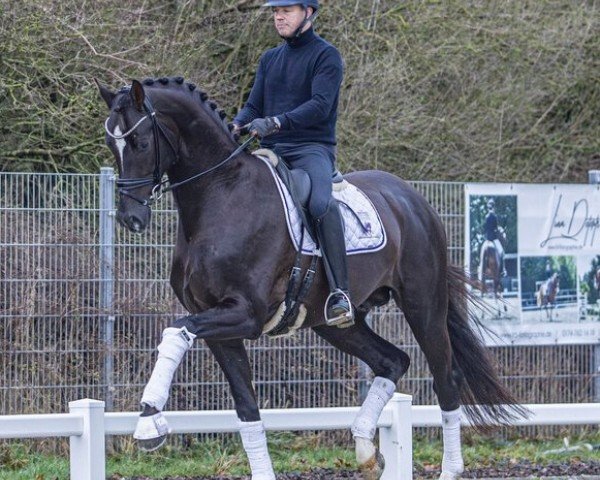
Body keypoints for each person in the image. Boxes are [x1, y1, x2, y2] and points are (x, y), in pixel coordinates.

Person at [232, 0, 353, 326]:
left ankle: (341, 293)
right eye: (275, 12)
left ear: (309, 13)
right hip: (272, 150)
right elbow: (253, 105)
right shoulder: (270, 59)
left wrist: (276, 122)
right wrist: (235, 124)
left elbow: (319, 106)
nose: (279, 16)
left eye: (286, 10)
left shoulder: (326, 56)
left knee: (319, 203)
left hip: (311, 148)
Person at [480, 198, 506, 277]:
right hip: (494, 239)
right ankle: (503, 270)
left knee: (481, 254)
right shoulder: (494, 216)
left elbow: (484, 228)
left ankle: (480, 268)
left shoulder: (486, 216)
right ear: (493, 207)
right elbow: (495, 228)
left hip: (487, 240)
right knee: (502, 253)